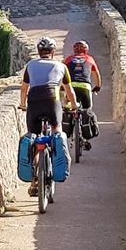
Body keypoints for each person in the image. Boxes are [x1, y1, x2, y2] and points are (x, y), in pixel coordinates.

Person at [19, 37, 75, 194]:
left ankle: (33, 183)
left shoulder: (30, 65)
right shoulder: (61, 66)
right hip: (52, 101)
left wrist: (23, 105)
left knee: (34, 136)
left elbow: (24, 89)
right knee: (57, 129)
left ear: (38, 52)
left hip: (34, 101)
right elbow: (69, 91)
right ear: (53, 52)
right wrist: (74, 106)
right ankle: (57, 161)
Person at [63, 39, 102, 150]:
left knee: (67, 106)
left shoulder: (68, 59)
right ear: (86, 50)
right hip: (85, 87)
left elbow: (62, 73)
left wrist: (62, 88)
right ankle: (85, 135)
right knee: (87, 110)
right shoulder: (90, 59)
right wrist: (97, 87)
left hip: (71, 87)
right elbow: (96, 75)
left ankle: (68, 127)